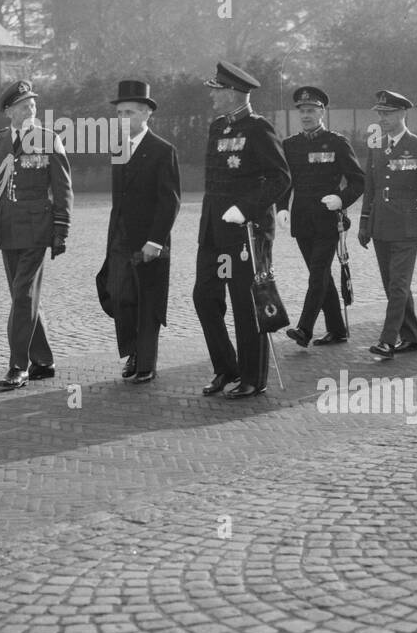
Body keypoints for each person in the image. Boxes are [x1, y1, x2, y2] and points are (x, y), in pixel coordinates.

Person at [193, 62, 291, 399]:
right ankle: (227, 367)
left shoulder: (259, 129)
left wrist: (246, 209)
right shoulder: (217, 126)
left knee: (245, 303)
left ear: (233, 93)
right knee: (204, 298)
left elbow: (281, 178)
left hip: (246, 231)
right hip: (214, 231)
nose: (211, 95)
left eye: (216, 90)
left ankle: (252, 377)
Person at [0, 80, 73, 391]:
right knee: (23, 298)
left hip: (37, 231)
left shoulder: (48, 139)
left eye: (32, 104)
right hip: (8, 230)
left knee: (23, 296)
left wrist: (61, 230)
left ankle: (19, 366)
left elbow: (63, 186)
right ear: (9, 112)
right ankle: (42, 360)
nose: (30, 109)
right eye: (23, 105)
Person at [102, 80, 181, 384]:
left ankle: (145, 363)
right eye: (119, 113)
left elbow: (170, 201)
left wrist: (155, 241)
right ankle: (133, 352)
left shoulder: (163, 151)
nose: (123, 119)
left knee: (147, 301)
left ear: (147, 113)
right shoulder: (118, 149)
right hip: (120, 240)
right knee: (122, 298)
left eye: (130, 113)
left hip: (149, 242)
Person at [277, 86, 363, 347]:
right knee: (321, 275)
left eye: (311, 110)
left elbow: (359, 181)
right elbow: (284, 181)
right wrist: (281, 207)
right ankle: (337, 329)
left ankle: (304, 328)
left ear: (322, 111)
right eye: (302, 111)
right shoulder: (290, 145)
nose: (306, 115)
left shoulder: (337, 142)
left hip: (328, 220)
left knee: (317, 274)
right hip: (303, 221)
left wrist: (341, 199)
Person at [358, 91, 417, 359]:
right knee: (392, 284)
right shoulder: (376, 146)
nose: (383, 118)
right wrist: (364, 223)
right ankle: (412, 335)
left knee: (398, 285)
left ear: (403, 113)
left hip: (407, 225)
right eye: (380, 113)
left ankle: (387, 340)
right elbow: (369, 188)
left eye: (389, 113)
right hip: (381, 223)